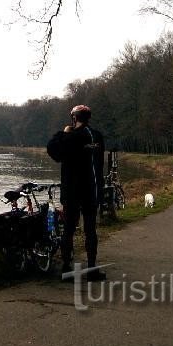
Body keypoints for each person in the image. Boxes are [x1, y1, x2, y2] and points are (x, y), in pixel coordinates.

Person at [47, 104, 105, 281]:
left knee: (69, 229)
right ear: (88, 118)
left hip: (72, 190)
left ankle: (66, 269)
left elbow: (53, 151)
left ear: (74, 118)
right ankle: (92, 269)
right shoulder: (97, 136)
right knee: (90, 230)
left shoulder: (71, 137)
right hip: (92, 190)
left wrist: (64, 133)